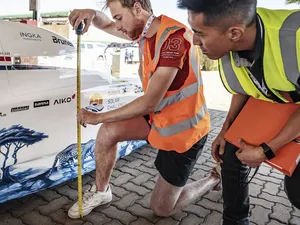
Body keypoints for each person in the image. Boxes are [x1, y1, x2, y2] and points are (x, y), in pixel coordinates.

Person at [67, 0, 221, 219]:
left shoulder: (173, 38)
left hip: (185, 132)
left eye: (119, 17)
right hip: (158, 119)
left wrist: (97, 116)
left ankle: (213, 178)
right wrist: (90, 13)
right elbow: (107, 25)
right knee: (108, 131)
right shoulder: (144, 32)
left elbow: (150, 102)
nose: (117, 26)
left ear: (137, 8)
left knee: (161, 208)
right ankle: (102, 192)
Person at [177, 0, 300, 224]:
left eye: (200, 33)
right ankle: (235, 220)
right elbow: (244, 89)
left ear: (234, 32)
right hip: (280, 108)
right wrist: (226, 131)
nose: (194, 41)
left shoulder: (296, 36)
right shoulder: (231, 42)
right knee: (229, 152)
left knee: (297, 190)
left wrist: (267, 150)